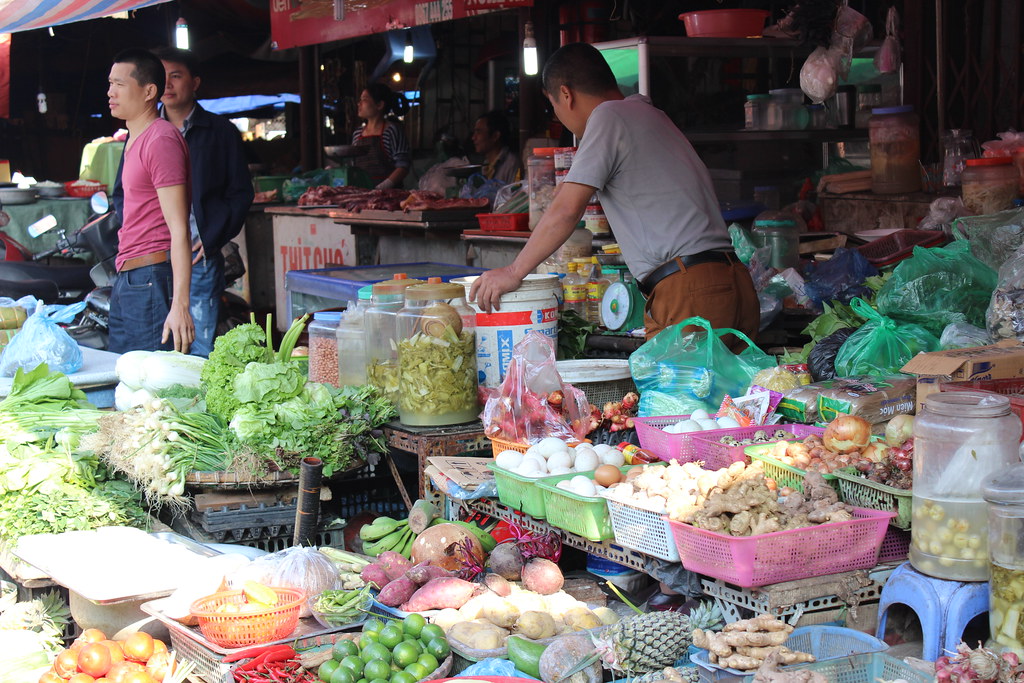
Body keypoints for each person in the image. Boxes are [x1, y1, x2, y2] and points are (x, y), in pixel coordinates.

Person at [469, 43, 759, 345]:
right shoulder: (650, 114)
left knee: (676, 393)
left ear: (566, 95)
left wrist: (514, 271)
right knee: (730, 393)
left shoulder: (608, 117)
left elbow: (566, 210)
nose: (557, 117)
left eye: (553, 106)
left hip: (690, 290)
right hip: (732, 282)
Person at [150, 46, 254, 357]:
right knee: (155, 345)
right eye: (162, 77)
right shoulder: (145, 131)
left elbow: (240, 193)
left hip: (199, 256)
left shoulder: (220, 132)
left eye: (176, 76)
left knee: (197, 347)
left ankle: (195, 404)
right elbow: (123, 192)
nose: (167, 84)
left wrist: (212, 238)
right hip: (154, 257)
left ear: (195, 82)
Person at [106, 48, 193, 354]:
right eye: (110, 84)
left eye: (119, 84)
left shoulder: (161, 140)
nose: (110, 92)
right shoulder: (135, 139)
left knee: (153, 385)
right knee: (124, 379)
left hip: (150, 277)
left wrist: (180, 304)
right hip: (130, 276)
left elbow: (179, 228)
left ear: (149, 91)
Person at [352, 84, 411, 190]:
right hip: (362, 193)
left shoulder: (392, 130)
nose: (359, 103)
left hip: (390, 196)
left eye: (364, 99)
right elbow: (354, 167)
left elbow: (403, 166)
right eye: (360, 100)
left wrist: (383, 186)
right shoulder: (357, 134)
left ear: (379, 105)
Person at [471, 110, 521, 184]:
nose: (473, 138)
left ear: (495, 136)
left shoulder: (511, 164)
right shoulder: (486, 165)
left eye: (479, 132)